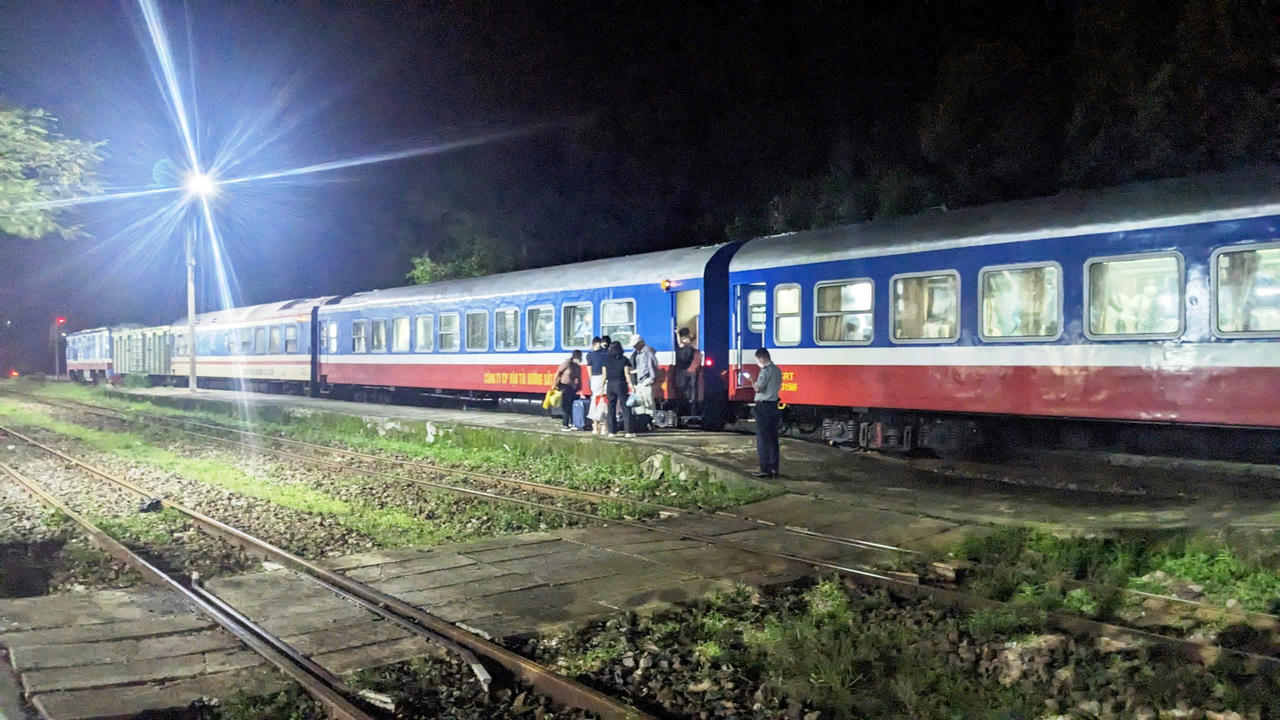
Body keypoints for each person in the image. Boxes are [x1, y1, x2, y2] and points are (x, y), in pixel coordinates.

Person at [750, 348, 781, 477]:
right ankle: (774, 468)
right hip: (774, 405)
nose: (758, 362)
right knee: (773, 438)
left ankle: (765, 469)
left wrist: (752, 381)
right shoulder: (777, 370)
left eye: (757, 360)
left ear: (761, 358)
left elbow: (758, 388)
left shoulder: (765, 371)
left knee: (763, 438)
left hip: (763, 406)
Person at [602, 340, 635, 437]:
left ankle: (611, 431)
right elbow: (627, 374)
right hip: (621, 384)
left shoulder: (606, 360)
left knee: (611, 408)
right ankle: (629, 431)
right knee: (625, 407)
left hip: (610, 385)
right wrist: (631, 385)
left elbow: (604, 376)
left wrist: (601, 388)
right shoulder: (624, 359)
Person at [629, 335, 658, 429]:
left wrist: (651, 379)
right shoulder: (638, 353)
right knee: (640, 404)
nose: (634, 347)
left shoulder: (647, 352)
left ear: (641, 343)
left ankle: (650, 423)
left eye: (635, 344)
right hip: (640, 381)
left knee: (648, 404)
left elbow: (653, 366)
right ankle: (643, 424)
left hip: (646, 381)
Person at [552, 350, 583, 431]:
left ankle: (572, 423)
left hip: (572, 388)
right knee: (566, 406)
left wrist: (580, 389)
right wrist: (554, 385)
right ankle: (565, 424)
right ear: (574, 357)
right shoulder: (567, 363)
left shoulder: (578, 367)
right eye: (578, 358)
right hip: (564, 386)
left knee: (572, 405)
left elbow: (579, 378)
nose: (579, 360)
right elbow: (558, 372)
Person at [674, 328, 699, 415]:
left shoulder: (687, 348)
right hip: (686, 372)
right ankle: (689, 408)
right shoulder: (690, 348)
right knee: (687, 391)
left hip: (683, 372)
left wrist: (677, 334)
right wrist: (677, 334)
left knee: (685, 391)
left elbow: (680, 344)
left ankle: (687, 409)